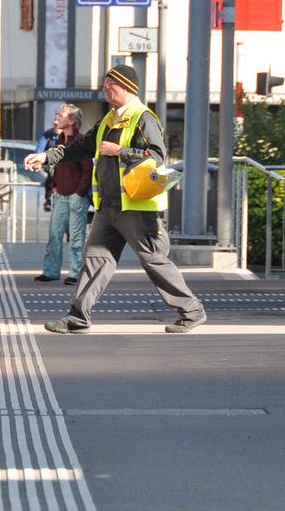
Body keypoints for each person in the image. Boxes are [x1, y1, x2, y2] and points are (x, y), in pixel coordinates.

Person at [24, 64, 206, 335]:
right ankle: (77, 318)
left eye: (111, 84)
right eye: (105, 84)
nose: (106, 89)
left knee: (153, 260)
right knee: (95, 260)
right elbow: (81, 148)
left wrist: (120, 150)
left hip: (136, 206)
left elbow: (156, 157)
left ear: (128, 87)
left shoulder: (143, 117)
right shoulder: (109, 119)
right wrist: (46, 157)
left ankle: (192, 311)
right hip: (109, 206)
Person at [34, 105, 90, 284]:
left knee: (76, 237)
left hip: (76, 196)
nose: (56, 116)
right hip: (60, 195)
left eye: (61, 114)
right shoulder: (59, 140)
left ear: (71, 121)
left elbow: (88, 170)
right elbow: (55, 167)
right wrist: (55, 187)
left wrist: (79, 192)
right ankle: (51, 271)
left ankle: (75, 274)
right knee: (54, 234)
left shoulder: (81, 141)